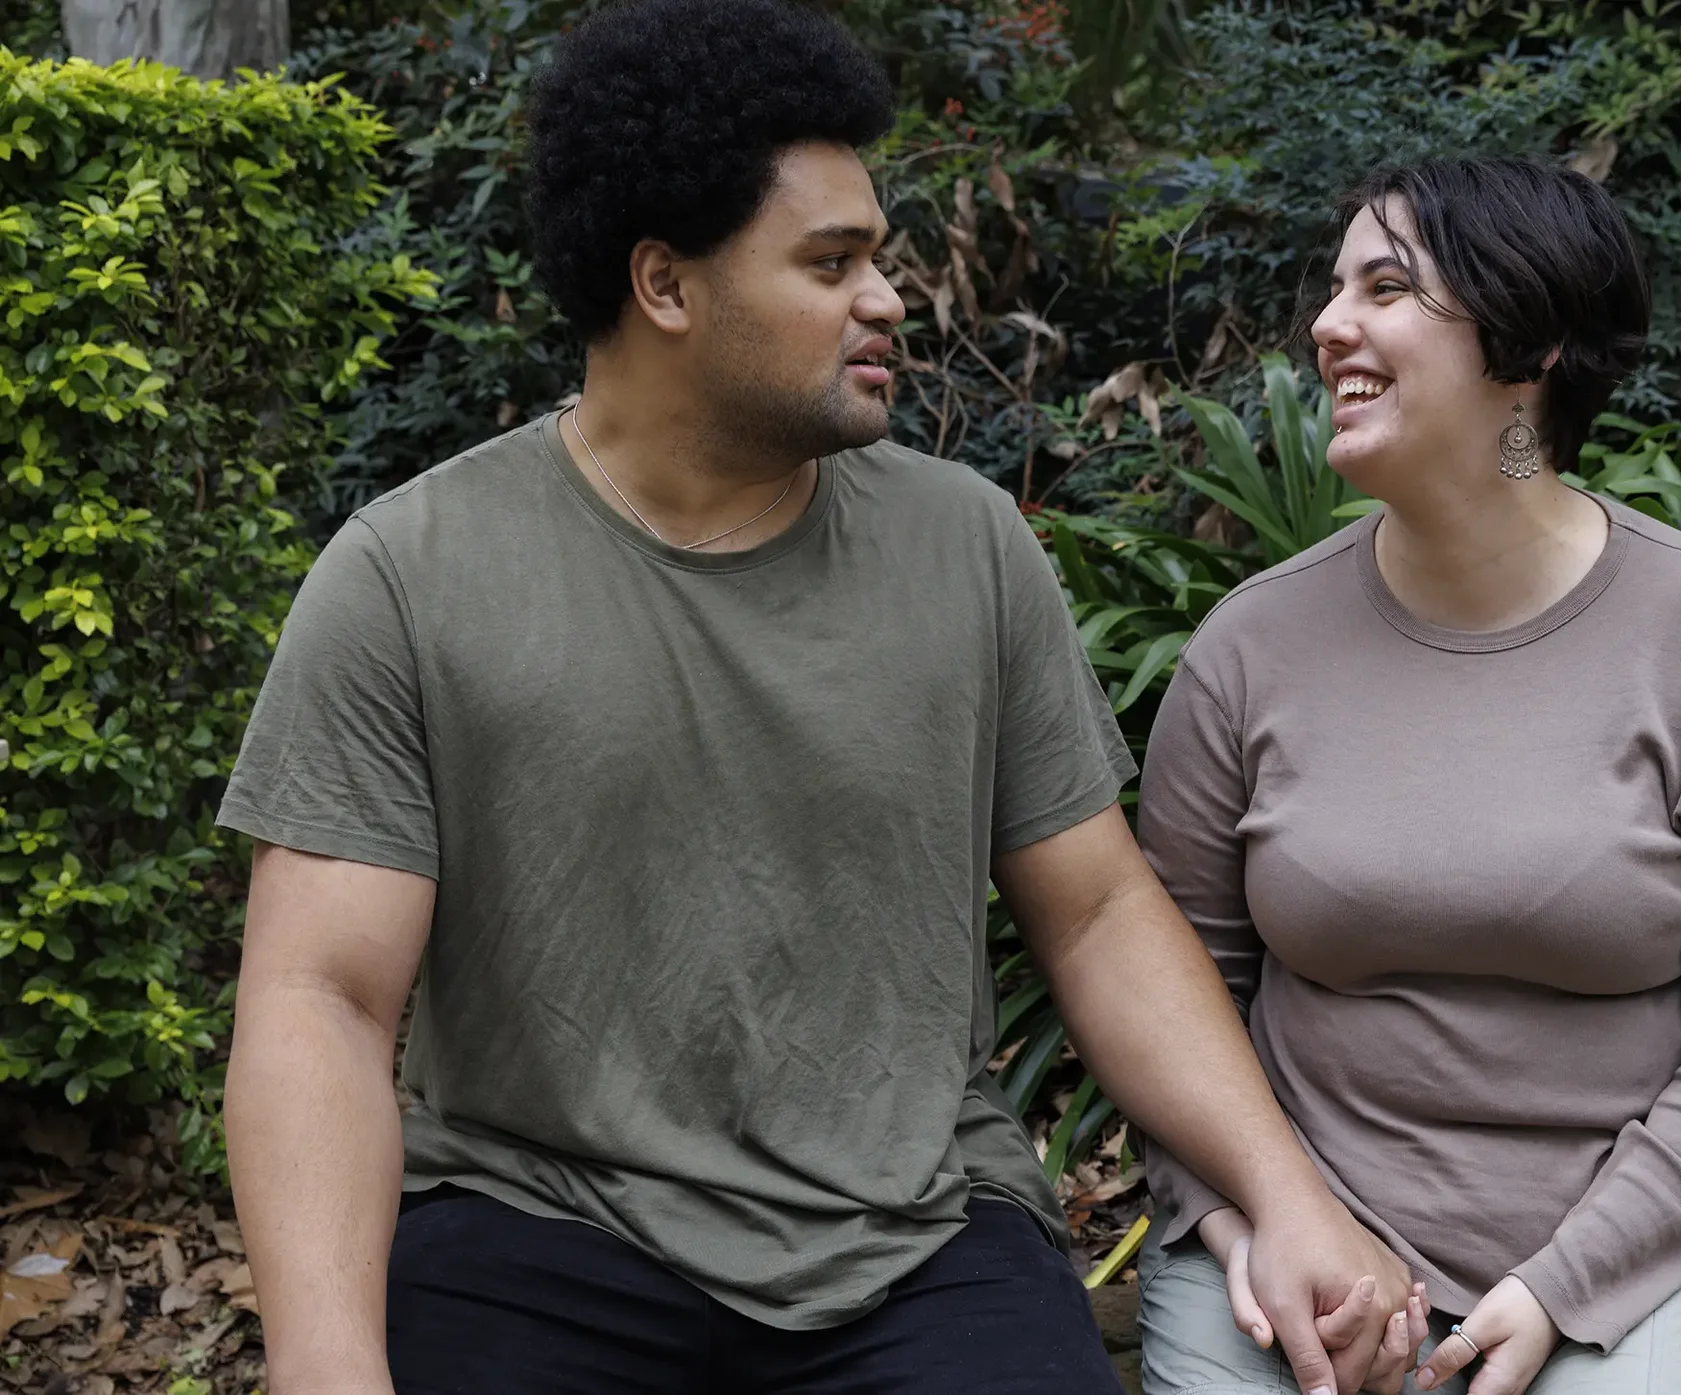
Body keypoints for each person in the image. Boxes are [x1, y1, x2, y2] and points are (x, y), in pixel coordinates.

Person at [215, 3, 1409, 1392]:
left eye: (876, 258)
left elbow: (1094, 912)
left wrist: (1285, 1192)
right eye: (831, 263)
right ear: (665, 285)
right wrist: (325, 1363)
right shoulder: (412, 574)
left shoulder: (964, 544)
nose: (888, 298)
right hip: (535, 1222)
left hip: (916, 1235)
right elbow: (321, 1000)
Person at [1131, 157, 1681, 1395]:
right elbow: (1173, 995)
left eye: (1385, 287)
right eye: (1334, 288)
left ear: (1528, 343)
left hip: (1651, 1257)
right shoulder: (1251, 651)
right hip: (1302, 1232)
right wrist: (1257, 1223)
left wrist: (1562, 1285)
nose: (1327, 325)